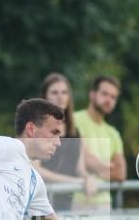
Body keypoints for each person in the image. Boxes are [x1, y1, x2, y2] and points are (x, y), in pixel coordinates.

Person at [37, 73, 98, 211]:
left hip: (65, 204)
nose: (60, 97)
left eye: (64, 92)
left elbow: (79, 168)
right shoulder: (37, 128)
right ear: (44, 97)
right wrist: (75, 181)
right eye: (54, 92)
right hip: (40, 203)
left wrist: (88, 178)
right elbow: (36, 169)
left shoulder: (74, 131)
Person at [73, 76, 125, 210]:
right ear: (92, 94)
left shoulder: (113, 133)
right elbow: (83, 160)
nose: (109, 100)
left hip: (104, 203)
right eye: (104, 94)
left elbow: (121, 173)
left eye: (113, 97)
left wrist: (95, 168)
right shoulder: (74, 120)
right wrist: (108, 167)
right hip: (74, 199)